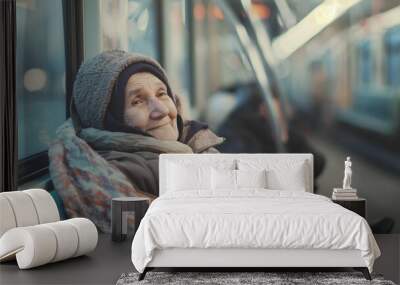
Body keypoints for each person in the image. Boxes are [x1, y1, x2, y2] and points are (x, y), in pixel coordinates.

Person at [49, 50, 224, 232]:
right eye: (138, 101)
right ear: (110, 120)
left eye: (162, 93)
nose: (161, 110)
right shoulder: (121, 174)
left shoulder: (193, 143)